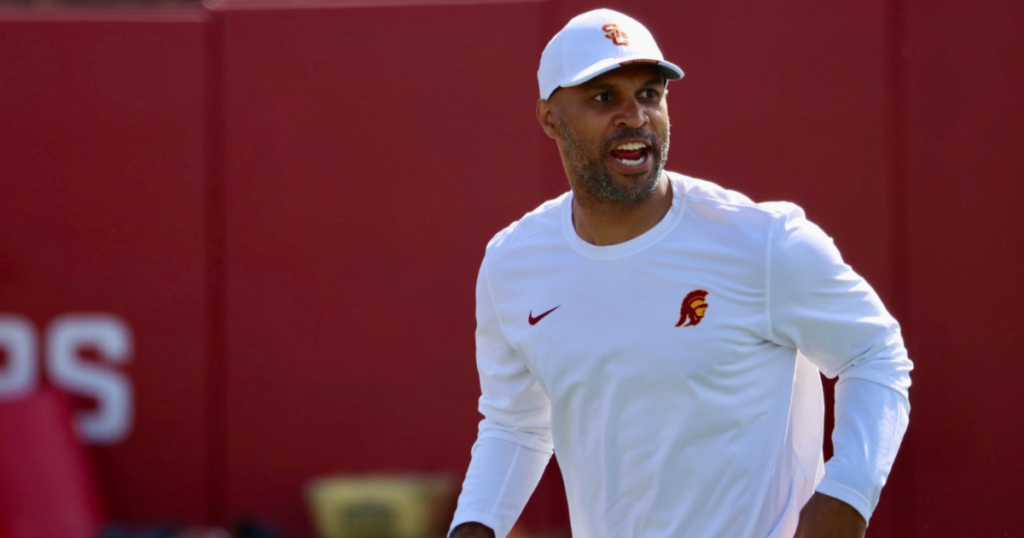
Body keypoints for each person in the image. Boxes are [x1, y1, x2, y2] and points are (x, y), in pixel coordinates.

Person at [449, 8, 912, 538]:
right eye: (604, 98)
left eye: (649, 94)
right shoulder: (513, 262)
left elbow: (874, 353)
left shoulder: (764, 242)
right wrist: (474, 526)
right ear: (550, 118)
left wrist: (847, 497)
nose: (635, 116)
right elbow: (516, 423)